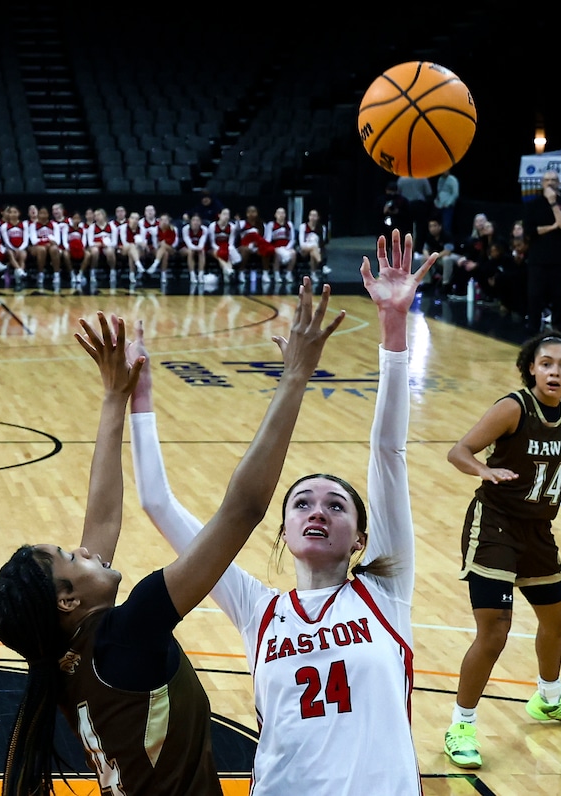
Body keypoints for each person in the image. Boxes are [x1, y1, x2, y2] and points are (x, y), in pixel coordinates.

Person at [0, 288, 342, 796]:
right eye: (70, 556)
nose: (85, 549)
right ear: (66, 600)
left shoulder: (67, 661)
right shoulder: (128, 635)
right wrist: (294, 378)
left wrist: (114, 398)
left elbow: (103, 519)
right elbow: (242, 511)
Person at [131, 232, 427, 793]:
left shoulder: (386, 594)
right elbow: (157, 503)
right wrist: (140, 398)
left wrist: (394, 328)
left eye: (336, 506)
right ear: (284, 528)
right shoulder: (257, 611)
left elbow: (388, 451)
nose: (318, 511)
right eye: (302, 503)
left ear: (361, 539)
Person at [443, 331, 561, 770]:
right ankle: (462, 725)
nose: (554, 372)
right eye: (546, 363)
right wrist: (483, 470)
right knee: (495, 631)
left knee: (557, 620)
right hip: (494, 527)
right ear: (531, 367)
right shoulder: (514, 407)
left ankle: (549, 697)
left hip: (538, 530)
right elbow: (459, 451)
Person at [523, 170, 561, 332]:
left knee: (559, 297)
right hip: (538, 258)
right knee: (534, 296)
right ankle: (533, 330)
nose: (550, 183)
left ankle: (558, 329)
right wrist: (553, 227)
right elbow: (530, 230)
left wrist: (553, 203)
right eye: (547, 180)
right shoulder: (532, 205)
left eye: (553, 180)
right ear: (542, 183)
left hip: (560, 258)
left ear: (559, 183)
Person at [397, 175, 433, 253]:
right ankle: (418, 250)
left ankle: (405, 249)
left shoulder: (402, 179)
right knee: (420, 228)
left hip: (405, 205)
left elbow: (398, 192)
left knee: (405, 228)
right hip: (419, 205)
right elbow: (428, 192)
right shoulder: (422, 178)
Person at [435, 168, 460, 240]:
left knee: (446, 226)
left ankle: (447, 243)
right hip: (439, 206)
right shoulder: (440, 179)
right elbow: (439, 191)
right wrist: (436, 202)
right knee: (438, 225)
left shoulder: (453, 180)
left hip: (448, 207)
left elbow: (455, 193)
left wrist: (448, 203)